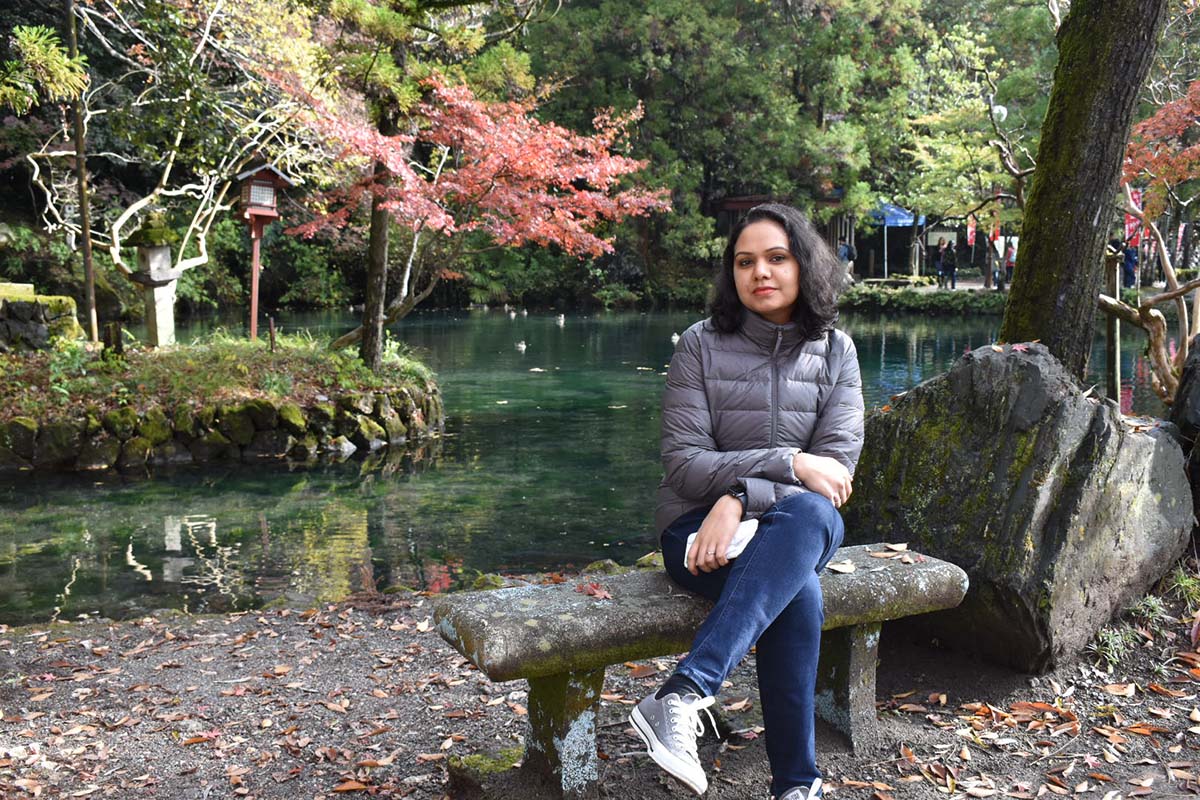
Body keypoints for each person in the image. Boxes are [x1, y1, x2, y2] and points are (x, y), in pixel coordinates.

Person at [630, 203, 865, 800]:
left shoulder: (837, 353)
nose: (760, 272)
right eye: (744, 261)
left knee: (813, 513)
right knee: (799, 591)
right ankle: (797, 786)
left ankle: (682, 693)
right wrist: (785, 463)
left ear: (805, 267)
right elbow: (683, 466)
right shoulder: (699, 347)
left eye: (776, 258)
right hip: (696, 531)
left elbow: (833, 480)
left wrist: (741, 494)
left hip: (791, 525)